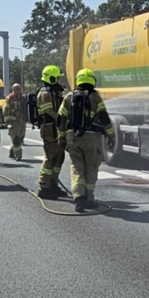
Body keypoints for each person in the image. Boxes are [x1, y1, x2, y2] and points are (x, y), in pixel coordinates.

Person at [59, 68, 116, 212]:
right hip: (92, 138)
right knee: (91, 167)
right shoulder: (95, 97)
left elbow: (61, 118)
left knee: (77, 167)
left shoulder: (69, 96)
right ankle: (89, 198)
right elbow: (104, 118)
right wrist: (111, 136)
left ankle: (78, 197)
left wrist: (61, 137)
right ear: (92, 80)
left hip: (73, 138)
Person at [36, 65, 66, 200]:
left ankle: (53, 184)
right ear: (51, 78)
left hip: (56, 128)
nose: (59, 80)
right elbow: (49, 111)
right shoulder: (45, 93)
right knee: (50, 156)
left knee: (59, 156)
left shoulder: (55, 92)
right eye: (57, 78)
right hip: (49, 128)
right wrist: (63, 118)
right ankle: (44, 187)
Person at [2, 83, 27, 161]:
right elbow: (5, 110)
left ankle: (12, 152)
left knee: (20, 137)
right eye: (16, 89)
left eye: (19, 89)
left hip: (22, 121)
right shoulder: (10, 98)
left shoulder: (23, 98)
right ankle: (18, 155)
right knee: (15, 139)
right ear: (13, 90)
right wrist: (8, 122)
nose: (18, 90)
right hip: (13, 122)